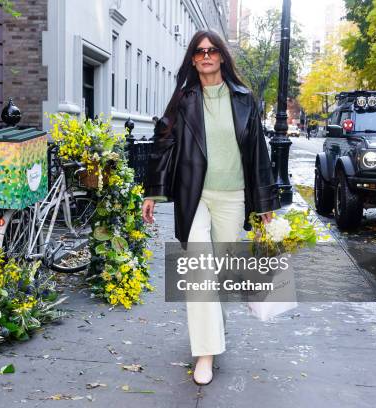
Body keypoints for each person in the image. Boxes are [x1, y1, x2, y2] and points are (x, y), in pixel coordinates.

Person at [141, 30, 281, 386]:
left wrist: (265, 204)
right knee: (200, 273)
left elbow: (258, 154)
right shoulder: (183, 100)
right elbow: (163, 145)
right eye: (199, 52)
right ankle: (205, 354)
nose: (206, 56)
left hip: (233, 198)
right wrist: (152, 193)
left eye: (212, 50)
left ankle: (212, 331)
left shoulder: (245, 99)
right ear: (192, 59)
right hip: (195, 197)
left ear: (221, 56)